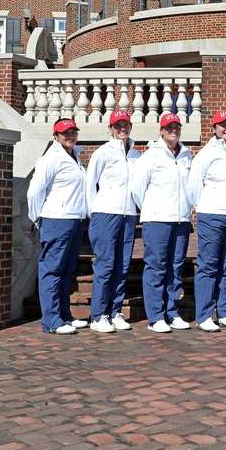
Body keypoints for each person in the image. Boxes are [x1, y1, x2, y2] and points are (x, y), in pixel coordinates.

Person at [130, 112, 193, 334]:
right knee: (156, 267)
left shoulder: (187, 155)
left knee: (175, 268)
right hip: (157, 220)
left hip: (181, 220)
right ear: (161, 131)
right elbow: (138, 190)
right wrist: (153, 207)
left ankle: (172, 311)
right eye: (169, 127)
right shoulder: (151, 156)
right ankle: (155, 316)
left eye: (176, 127)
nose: (173, 130)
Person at [188, 110, 226, 332]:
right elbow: (194, 185)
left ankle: (225, 312)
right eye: (223, 125)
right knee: (208, 265)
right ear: (214, 128)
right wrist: (205, 206)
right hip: (212, 215)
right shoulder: (207, 153)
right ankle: (204, 314)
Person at [27, 118, 88, 335]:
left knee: (66, 271)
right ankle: (51, 320)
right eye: (65, 133)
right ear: (55, 136)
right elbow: (34, 191)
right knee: (52, 270)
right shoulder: (51, 158)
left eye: (72, 132)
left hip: (74, 220)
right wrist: (38, 218)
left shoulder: (75, 156)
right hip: (56, 220)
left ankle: (64, 315)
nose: (69, 135)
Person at [84, 109, 140, 334]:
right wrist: (93, 213)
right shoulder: (102, 153)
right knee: (106, 265)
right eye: (118, 125)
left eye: (125, 124)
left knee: (123, 265)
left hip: (128, 216)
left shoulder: (136, 155)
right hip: (105, 213)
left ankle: (115, 311)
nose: (122, 129)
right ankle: (98, 315)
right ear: (110, 129)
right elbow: (90, 184)